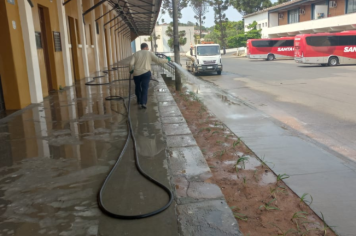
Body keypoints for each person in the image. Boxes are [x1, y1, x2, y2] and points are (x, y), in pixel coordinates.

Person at [129, 43, 171, 109]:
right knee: (145, 88)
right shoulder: (149, 53)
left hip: (136, 73)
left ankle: (139, 100)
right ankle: (143, 103)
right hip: (146, 73)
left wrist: (131, 70)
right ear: (146, 47)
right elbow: (158, 60)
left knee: (137, 87)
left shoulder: (135, 54)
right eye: (147, 47)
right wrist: (167, 60)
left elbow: (131, 63)